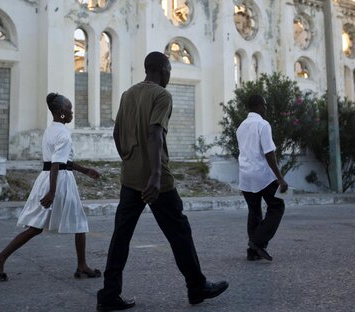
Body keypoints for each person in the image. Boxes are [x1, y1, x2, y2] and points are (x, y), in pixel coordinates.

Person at [96, 52, 228, 311]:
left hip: (130, 178)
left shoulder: (128, 94)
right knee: (179, 233)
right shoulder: (162, 95)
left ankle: (109, 294)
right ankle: (196, 287)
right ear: (162, 70)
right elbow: (155, 132)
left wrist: (128, 157)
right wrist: (155, 175)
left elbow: (116, 132)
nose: (169, 75)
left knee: (120, 237)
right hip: (157, 181)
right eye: (169, 70)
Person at [0, 93, 102, 281]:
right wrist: (53, 192)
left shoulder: (51, 130)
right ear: (62, 112)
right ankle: (82, 266)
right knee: (78, 221)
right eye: (70, 109)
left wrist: (85, 170)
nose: (72, 113)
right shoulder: (63, 133)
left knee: (36, 227)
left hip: (48, 178)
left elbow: (61, 162)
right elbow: (57, 163)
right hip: (59, 181)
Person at [236, 94, 288, 262]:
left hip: (245, 175)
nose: (266, 108)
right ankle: (258, 242)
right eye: (264, 105)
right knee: (277, 206)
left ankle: (253, 252)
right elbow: (269, 153)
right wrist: (280, 178)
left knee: (254, 210)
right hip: (261, 174)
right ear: (258, 106)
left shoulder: (241, 126)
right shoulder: (263, 124)